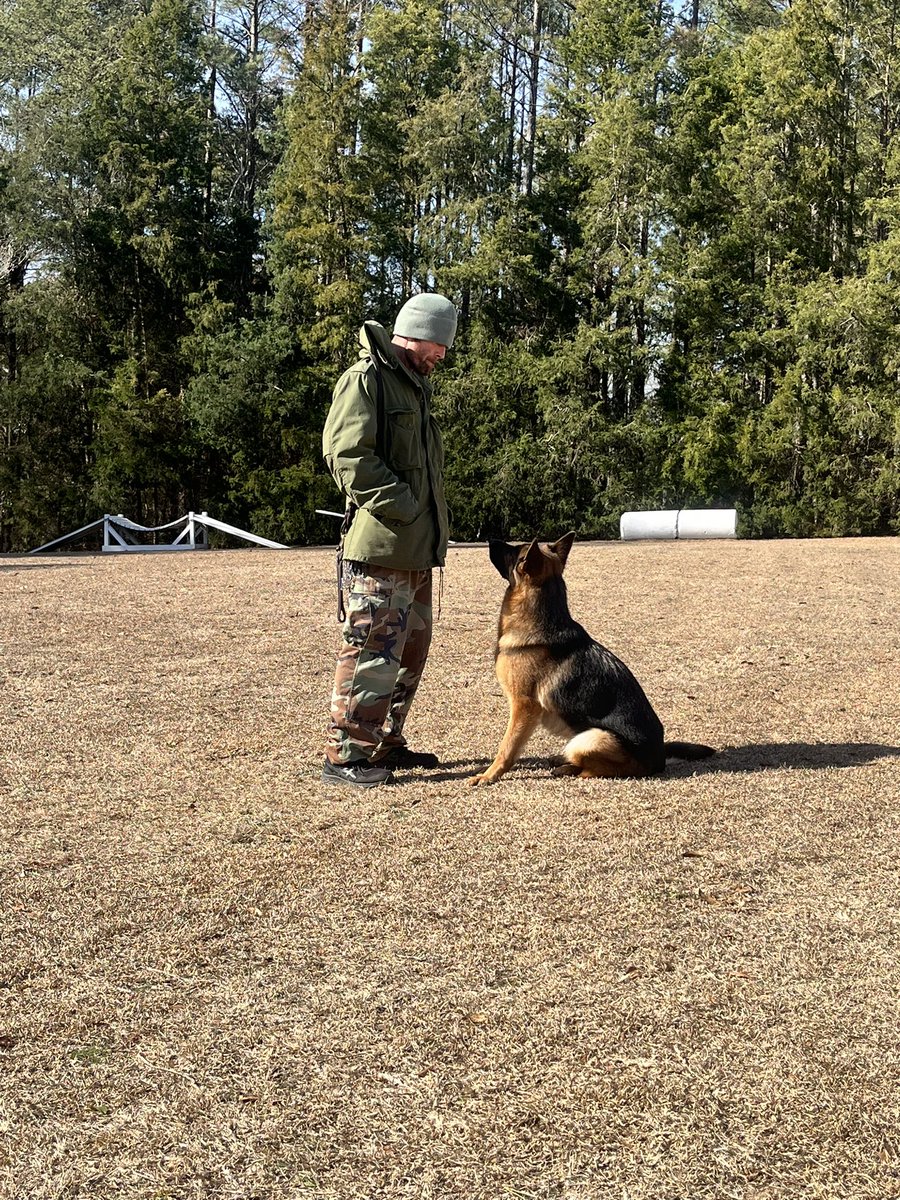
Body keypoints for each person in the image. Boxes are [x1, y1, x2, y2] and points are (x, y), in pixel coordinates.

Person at [321, 293, 457, 788]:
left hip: (417, 552)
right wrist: (404, 507)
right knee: (371, 651)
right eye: (438, 345)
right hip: (382, 550)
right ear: (416, 332)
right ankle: (346, 755)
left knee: (408, 653)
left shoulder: (412, 386)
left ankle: (383, 743)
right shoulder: (367, 380)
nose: (441, 355)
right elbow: (347, 455)